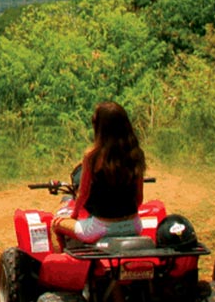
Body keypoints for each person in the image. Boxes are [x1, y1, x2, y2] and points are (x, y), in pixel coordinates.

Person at [54, 100, 146, 244]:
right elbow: (139, 198)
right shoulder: (136, 154)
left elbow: (83, 194)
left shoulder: (93, 156)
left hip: (101, 228)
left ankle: (61, 256)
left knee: (56, 223)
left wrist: (73, 216)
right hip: (133, 226)